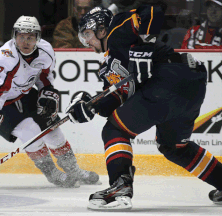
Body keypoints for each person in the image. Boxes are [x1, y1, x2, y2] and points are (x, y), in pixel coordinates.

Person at [66, 3, 222, 210]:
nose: (87, 41)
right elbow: (117, 97)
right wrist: (90, 107)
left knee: (115, 129)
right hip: (190, 85)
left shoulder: (117, 28)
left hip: (169, 77)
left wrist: (144, 47)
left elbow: (152, 11)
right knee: (175, 147)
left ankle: (120, 187)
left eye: (88, 34)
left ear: (101, 29)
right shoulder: (109, 66)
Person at [0, 15, 100, 188]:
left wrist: (47, 91)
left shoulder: (46, 51)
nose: (25, 42)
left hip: (23, 93)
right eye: (21, 37)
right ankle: (52, 173)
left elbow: (44, 77)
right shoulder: (4, 57)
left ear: (37, 38)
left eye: (30, 37)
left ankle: (73, 170)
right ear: (14, 36)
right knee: (30, 132)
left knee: (53, 131)